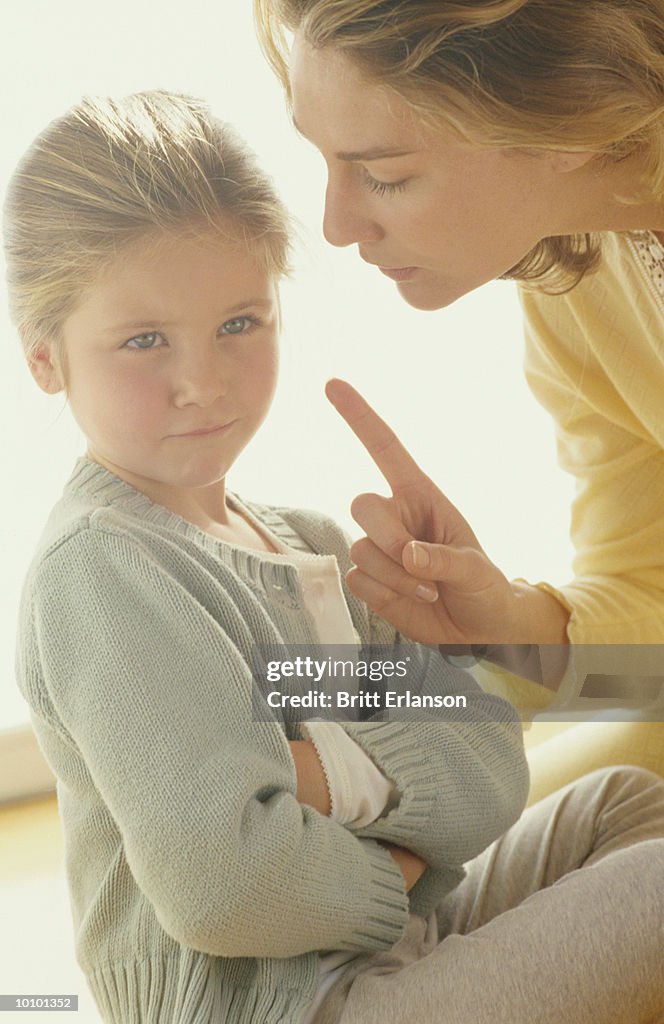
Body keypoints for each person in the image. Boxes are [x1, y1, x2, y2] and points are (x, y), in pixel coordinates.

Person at [4, 89, 664, 1024]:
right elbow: (227, 888)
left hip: (399, 955)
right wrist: (403, 858)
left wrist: (308, 771)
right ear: (44, 357)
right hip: (296, 1009)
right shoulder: (102, 571)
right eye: (143, 341)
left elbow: (486, 763)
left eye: (240, 323)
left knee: (621, 805)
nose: (202, 382)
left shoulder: (308, 542)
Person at [253, 0, 664, 757]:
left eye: (383, 174)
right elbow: (649, 642)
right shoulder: (581, 273)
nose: (338, 225)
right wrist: (508, 630)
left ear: (565, 112)